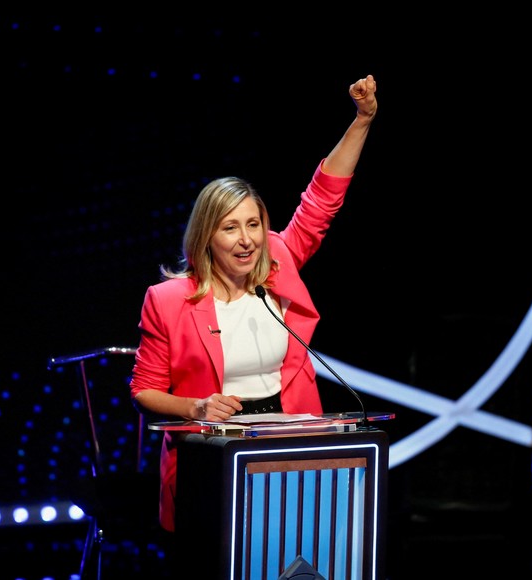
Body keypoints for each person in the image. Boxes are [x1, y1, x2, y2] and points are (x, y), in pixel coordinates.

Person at [129, 74, 378, 534]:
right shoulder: (167, 300)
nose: (246, 240)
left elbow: (323, 199)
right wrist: (195, 408)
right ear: (207, 235)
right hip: (211, 453)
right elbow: (143, 390)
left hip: (287, 448)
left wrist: (362, 121)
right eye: (230, 228)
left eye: (254, 224)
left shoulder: (280, 259)